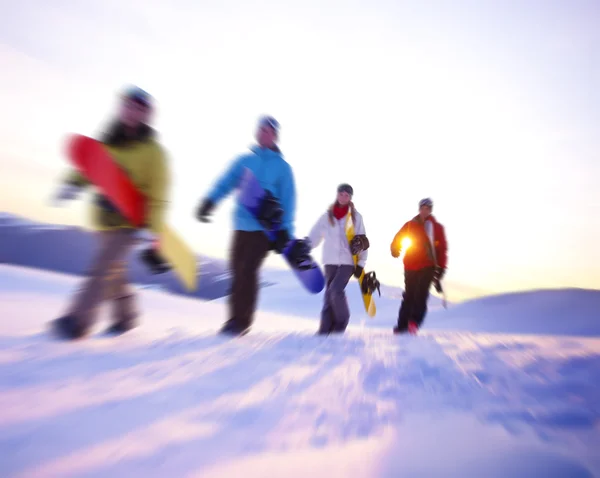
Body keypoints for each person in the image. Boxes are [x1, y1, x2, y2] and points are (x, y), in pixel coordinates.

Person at [50, 86, 170, 339]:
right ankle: (127, 317)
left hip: (130, 223)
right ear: (121, 108)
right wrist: (72, 184)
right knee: (114, 272)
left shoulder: (154, 152)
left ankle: (78, 321)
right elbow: (90, 166)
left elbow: (159, 196)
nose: (132, 112)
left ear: (147, 115)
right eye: (128, 106)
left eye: (140, 109)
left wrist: (153, 230)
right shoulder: (107, 140)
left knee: (102, 269)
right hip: (103, 218)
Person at [196, 115, 303, 336]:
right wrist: (210, 201)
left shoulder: (283, 168)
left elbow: (289, 201)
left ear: (275, 137)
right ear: (257, 133)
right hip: (241, 225)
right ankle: (234, 319)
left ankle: (240, 323)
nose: (264, 134)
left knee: (248, 271)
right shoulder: (244, 161)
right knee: (237, 272)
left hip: (264, 229)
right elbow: (225, 182)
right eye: (261, 130)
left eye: (269, 131)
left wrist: (285, 233)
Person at [307, 183, 370, 335]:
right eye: (341, 194)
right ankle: (325, 328)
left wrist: (361, 263)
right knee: (329, 295)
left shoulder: (356, 218)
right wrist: (306, 245)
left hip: (348, 262)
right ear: (337, 195)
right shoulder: (327, 217)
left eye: (346, 195)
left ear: (350, 198)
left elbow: (363, 241)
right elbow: (315, 235)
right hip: (330, 261)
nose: (343, 197)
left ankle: (341, 322)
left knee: (336, 290)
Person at [389, 197, 448, 334]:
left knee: (421, 294)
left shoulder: (437, 227)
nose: (424, 211)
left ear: (430, 210)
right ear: (419, 209)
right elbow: (399, 237)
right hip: (410, 264)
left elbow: (442, 249)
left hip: (428, 265)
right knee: (409, 295)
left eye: (427, 209)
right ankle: (402, 324)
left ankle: (414, 322)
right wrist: (394, 247)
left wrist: (441, 268)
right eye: (423, 208)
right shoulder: (410, 224)